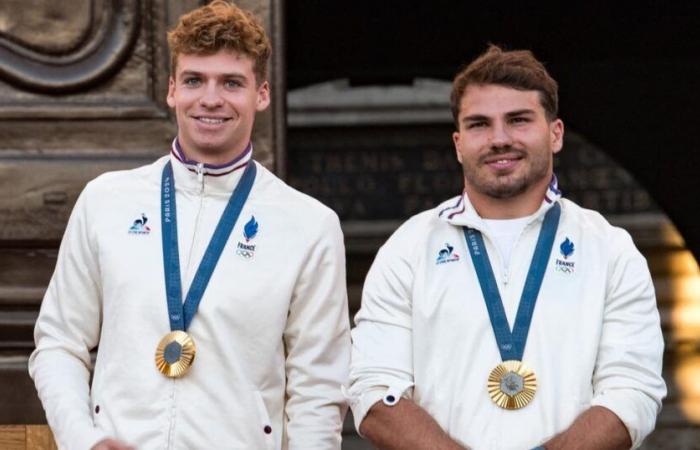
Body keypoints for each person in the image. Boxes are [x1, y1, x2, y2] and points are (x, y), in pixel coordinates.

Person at [29, 2, 350, 449]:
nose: (211, 99)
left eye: (231, 83)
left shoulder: (309, 225)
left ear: (261, 94)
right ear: (172, 90)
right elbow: (59, 343)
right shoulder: (106, 200)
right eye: (195, 80)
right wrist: (85, 441)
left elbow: (318, 388)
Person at [346, 45, 666, 450]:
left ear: (555, 134)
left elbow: (632, 389)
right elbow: (374, 389)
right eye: (480, 125)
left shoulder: (610, 249)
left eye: (518, 120)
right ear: (459, 144)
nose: (499, 139)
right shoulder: (409, 247)